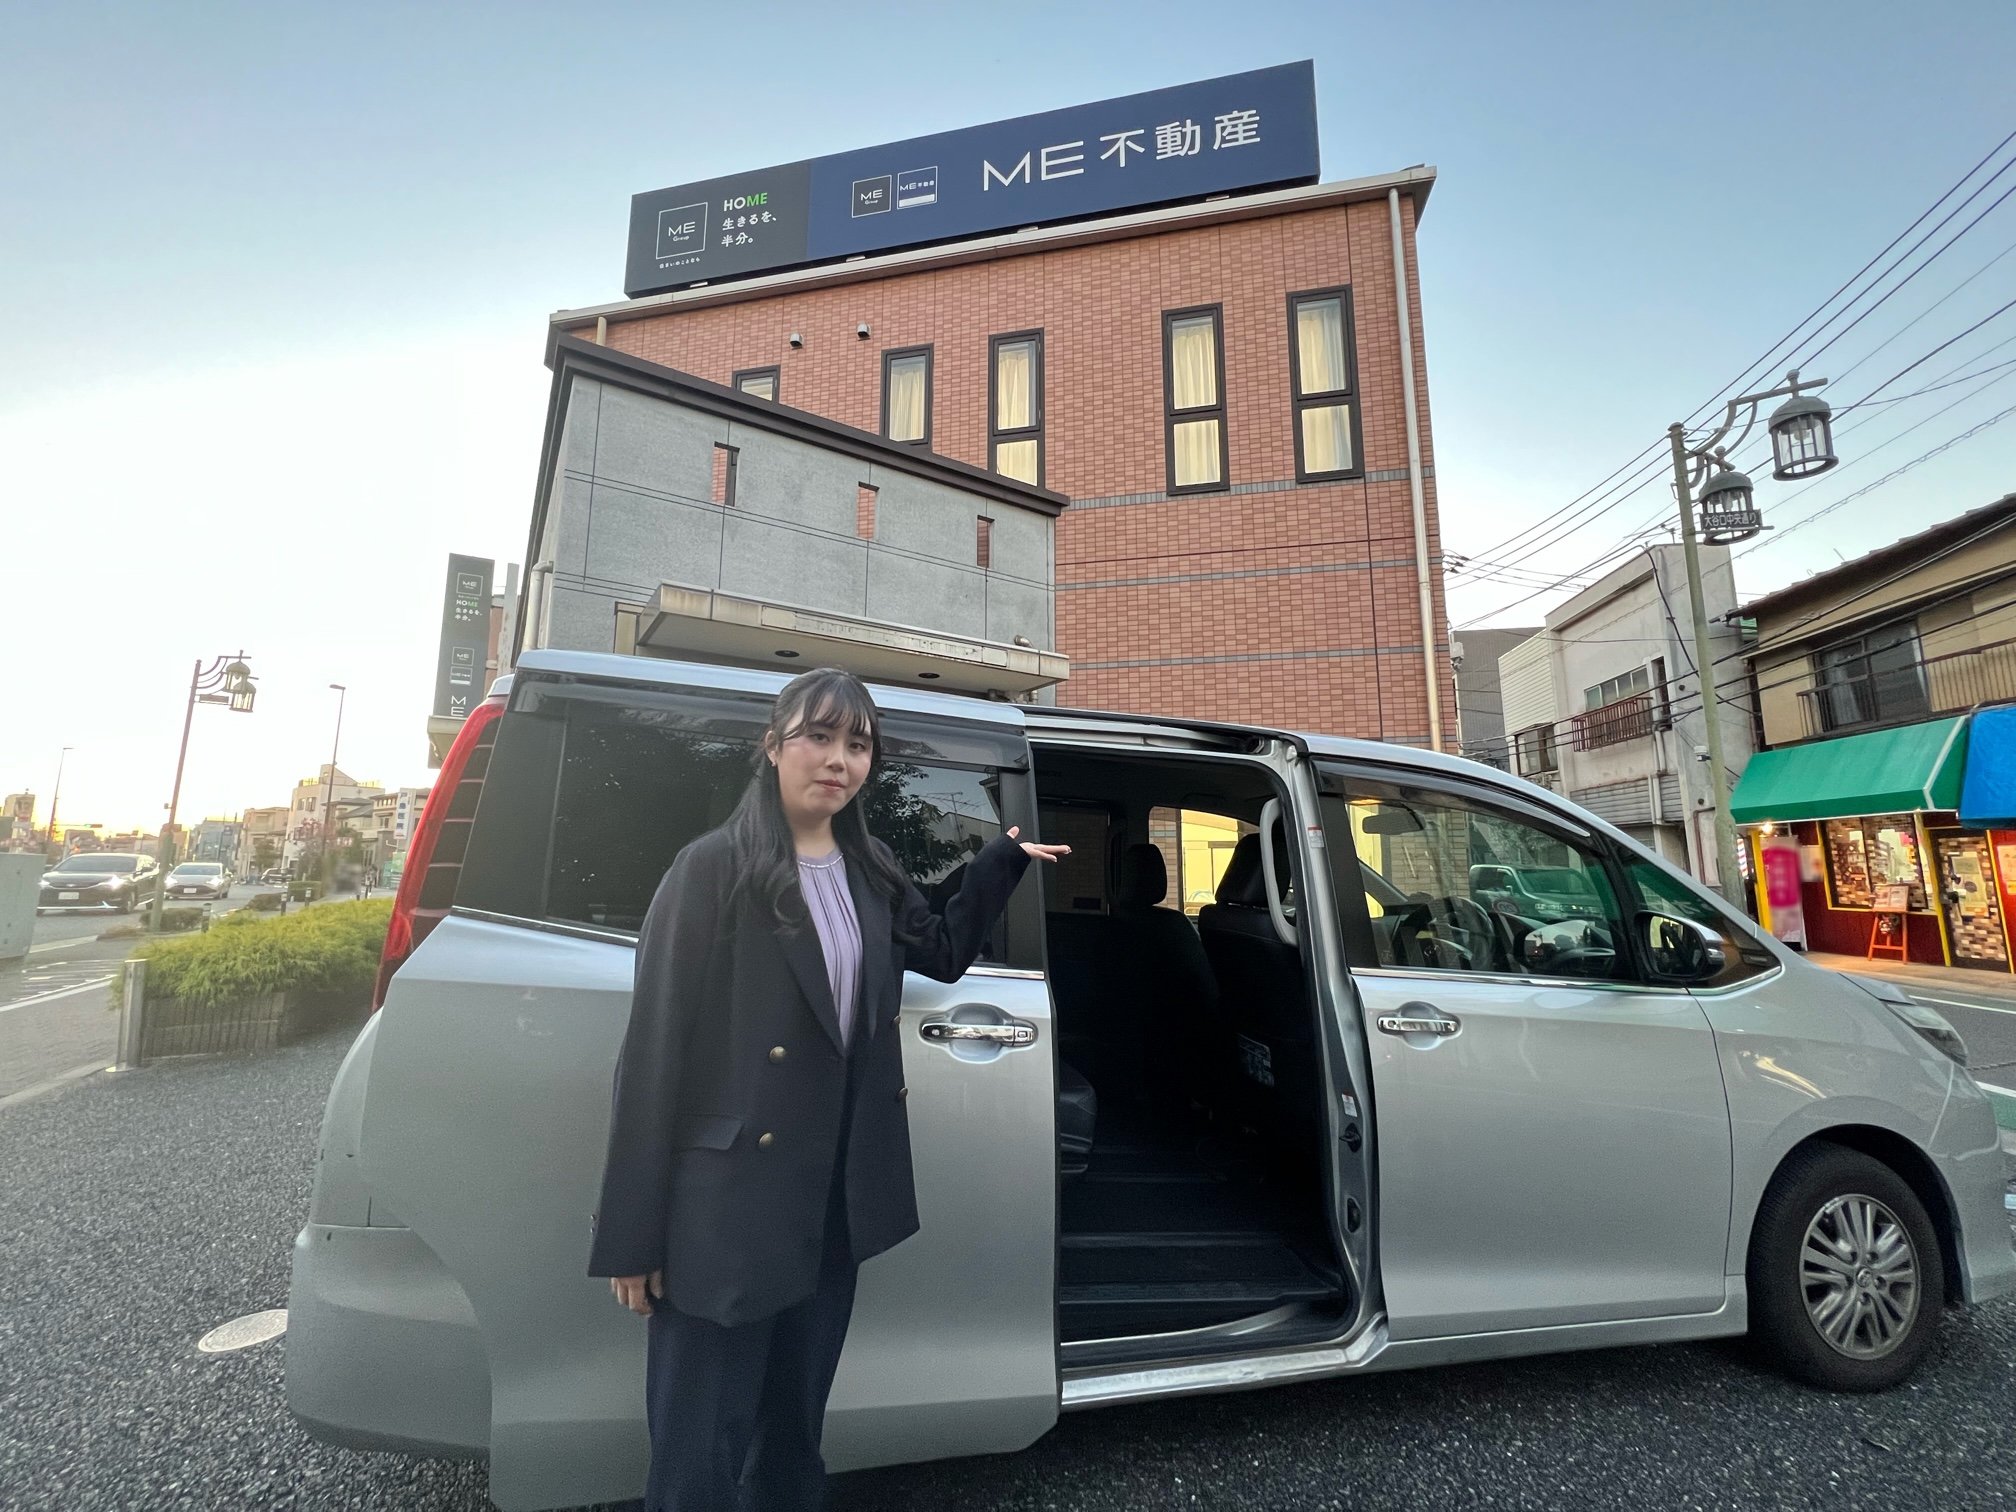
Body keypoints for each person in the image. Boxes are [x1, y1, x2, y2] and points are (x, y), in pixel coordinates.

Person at [589, 666, 1067, 1511]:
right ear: (773, 746)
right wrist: (633, 1236)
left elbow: (942, 950)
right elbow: (653, 1051)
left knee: (793, 1438)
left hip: (830, 1208)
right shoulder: (713, 870)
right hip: (727, 1214)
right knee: (699, 1454)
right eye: (818, 736)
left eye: (857, 744)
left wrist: (1000, 862)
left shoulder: (869, 868)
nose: (839, 760)